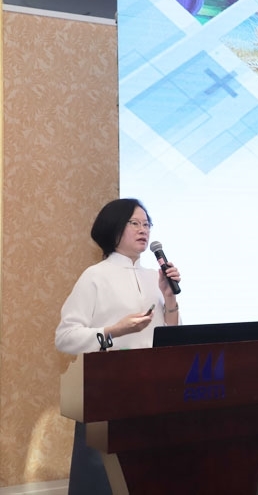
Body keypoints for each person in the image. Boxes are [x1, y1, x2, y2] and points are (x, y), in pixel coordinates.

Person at [55, 198, 182, 494]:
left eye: (147, 224)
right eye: (134, 223)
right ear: (113, 229)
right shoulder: (95, 276)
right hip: (108, 393)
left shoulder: (155, 278)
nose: (143, 230)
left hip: (153, 392)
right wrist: (113, 331)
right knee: (104, 482)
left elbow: (172, 339)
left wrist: (170, 298)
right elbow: (65, 337)